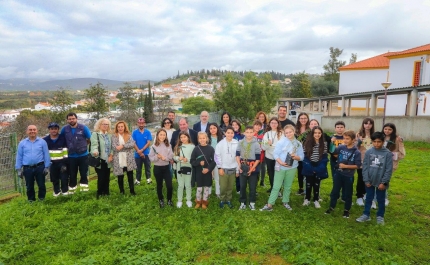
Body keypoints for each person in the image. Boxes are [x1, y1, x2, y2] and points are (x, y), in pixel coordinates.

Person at [260, 125, 304, 211]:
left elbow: (302, 157)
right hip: (281, 167)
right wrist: (281, 163)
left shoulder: (298, 144)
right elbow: (276, 154)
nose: (288, 134)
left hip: (292, 167)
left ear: (294, 131)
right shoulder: (281, 142)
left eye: (290, 132)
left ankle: (285, 202)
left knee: (288, 186)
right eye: (286, 132)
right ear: (284, 133)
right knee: (276, 186)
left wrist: (296, 157)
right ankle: (270, 204)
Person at [356, 132, 393, 225]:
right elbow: (365, 167)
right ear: (372, 141)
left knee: (380, 199)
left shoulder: (387, 154)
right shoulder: (369, 152)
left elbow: (389, 170)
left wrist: (384, 182)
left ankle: (380, 216)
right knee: (368, 198)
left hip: (381, 182)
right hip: (369, 181)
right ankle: (366, 214)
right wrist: (366, 180)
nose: (377, 144)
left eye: (379, 142)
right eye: (374, 142)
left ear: (383, 141)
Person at [325, 130, 361, 218]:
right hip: (338, 174)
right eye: (344, 138)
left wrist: (346, 166)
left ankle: (346, 210)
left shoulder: (357, 152)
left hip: (348, 176)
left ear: (353, 140)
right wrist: (332, 143)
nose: (345, 140)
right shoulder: (341, 147)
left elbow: (358, 165)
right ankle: (331, 207)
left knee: (348, 193)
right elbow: (333, 152)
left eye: (347, 139)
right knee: (334, 191)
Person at [15, 125, 51, 202]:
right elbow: (19, 156)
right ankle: (31, 200)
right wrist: (18, 169)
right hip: (27, 168)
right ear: (27, 131)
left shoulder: (42, 142)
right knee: (29, 186)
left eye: (34, 130)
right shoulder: (22, 143)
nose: (32, 131)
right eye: (30, 130)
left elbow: (46, 155)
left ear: (37, 131)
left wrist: (47, 167)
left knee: (41, 185)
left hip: (40, 167)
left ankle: (42, 199)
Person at [61, 112, 92, 192]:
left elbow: (89, 139)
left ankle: (84, 190)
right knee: (72, 174)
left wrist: (84, 145)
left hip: (83, 155)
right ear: (67, 120)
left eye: (73, 118)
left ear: (76, 119)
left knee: (83, 173)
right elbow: (61, 140)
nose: (71, 120)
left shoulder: (83, 128)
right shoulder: (64, 129)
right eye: (69, 119)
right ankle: (72, 190)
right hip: (71, 156)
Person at [301, 126, 328, 208]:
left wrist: (319, 168)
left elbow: (324, 157)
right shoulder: (307, 143)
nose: (317, 134)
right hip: (309, 166)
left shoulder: (324, 144)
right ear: (312, 134)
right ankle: (307, 199)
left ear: (321, 134)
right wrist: (310, 167)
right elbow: (305, 156)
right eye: (315, 133)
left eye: (319, 133)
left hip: (319, 166)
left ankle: (316, 199)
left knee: (317, 184)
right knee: (308, 184)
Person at [236, 126, 261, 210]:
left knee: (252, 186)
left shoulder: (256, 144)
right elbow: (237, 155)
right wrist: (239, 166)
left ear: (254, 133)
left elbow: (258, 159)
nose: (249, 134)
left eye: (251, 132)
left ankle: (252, 202)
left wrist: (251, 169)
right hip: (243, 166)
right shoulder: (240, 142)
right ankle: (242, 202)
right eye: (247, 132)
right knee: (242, 186)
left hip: (253, 166)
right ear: (244, 133)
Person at [381, 122, 405, 206]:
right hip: (379, 163)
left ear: (393, 130)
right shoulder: (380, 137)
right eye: (385, 129)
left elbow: (402, 154)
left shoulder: (397, 139)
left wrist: (392, 155)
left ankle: (384, 198)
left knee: (385, 180)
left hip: (390, 164)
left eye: (390, 129)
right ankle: (375, 197)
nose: (387, 131)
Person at [148, 129, 174, 208]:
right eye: (160, 135)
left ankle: (169, 200)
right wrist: (157, 157)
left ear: (166, 136)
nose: (162, 136)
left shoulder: (168, 145)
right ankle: (161, 199)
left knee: (169, 186)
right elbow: (151, 158)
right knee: (159, 185)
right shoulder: (153, 146)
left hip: (166, 168)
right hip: (157, 168)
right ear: (157, 136)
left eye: (164, 135)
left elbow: (170, 156)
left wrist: (165, 158)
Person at [190, 132, 216, 209]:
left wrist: (208, 169)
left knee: (206, 188)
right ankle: (198, 201)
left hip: (207, 172)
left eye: (203, 138)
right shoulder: (196, 149)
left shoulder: (211, 149)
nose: (202, 140)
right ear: (198, 139)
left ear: (207, 139)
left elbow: (214, 161)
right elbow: (192, 161)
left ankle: (204, 201)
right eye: (200, 138)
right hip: (199, 172)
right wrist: (198, 163)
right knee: (199, 188)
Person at [215, 126, 239, 209]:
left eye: (232, 133)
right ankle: (222, 199)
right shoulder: (220, 144)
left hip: (233, 168)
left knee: (230, 186)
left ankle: (228, 199)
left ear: (234, 133)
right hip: (223, 168)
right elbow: (217, 156)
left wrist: (237, 170)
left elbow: (238, 157)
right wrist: (219, 168)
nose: (230, 134)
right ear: (225, 133)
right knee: (223, 186)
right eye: (228, 133)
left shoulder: (236, 143)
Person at [43, 122, 69, 196]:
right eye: (52, 129)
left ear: (58, 130)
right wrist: (47, 165)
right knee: (54, 179)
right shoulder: (45, 140)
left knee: (64, 178)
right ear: (49, 130)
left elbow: (65, 151)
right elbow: (44, 153)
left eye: (55, 129)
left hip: (62, 162)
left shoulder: (63, 138)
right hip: (52, 163)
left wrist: (65, 164)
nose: (53, 130)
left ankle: (65, 192)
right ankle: (56, 192)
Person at [111, 121, 137, 196]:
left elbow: (132, 144)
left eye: (121, 126)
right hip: (118, 159)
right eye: (118, 127)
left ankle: (132, 191)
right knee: (120, 176)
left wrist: (122, 146)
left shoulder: (128, 135)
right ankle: (121, 191)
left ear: (124, 127)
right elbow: (114, 147)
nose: (120, 128)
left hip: (128, 159)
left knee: (130, 175)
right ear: (116, 128)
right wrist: (126, 146)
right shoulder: (114, 136)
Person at [90, 118, 113, 198]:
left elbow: (112, 146)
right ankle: (99, 193)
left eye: (107, 124)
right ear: (99, 125)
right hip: (100, 159)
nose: (105, 126)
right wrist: (95, 152)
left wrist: (111, 155)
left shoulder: (109, 135)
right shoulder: (95, 134)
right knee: (101, 177)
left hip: (108, 160)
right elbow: (94, 145)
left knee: (107, 177)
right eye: (104, 124)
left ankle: (106, 192)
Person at [355, 118, 375, 207]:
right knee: (361, 178)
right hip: (362, 160)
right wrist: (358, 142)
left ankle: (368, 195)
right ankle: (359, 196)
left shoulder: (374, 135)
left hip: (372, 161)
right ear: (363, 124)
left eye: (370, 124)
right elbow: (355, 147)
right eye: (366, 123)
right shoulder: (358, 134)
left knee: (371, 179)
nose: (368, 125)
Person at [261, 117, 284, 194]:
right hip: (269, 156)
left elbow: (284, 146)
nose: (274, 124)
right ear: (269, 124)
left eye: (275, 123)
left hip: (279, 157)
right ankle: (272, 187)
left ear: (278, 124)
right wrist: (268, 144)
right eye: (272, 123)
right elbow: (263, 146)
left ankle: (278, 189)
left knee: (278, 173)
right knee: (270, 172)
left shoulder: (281, 133)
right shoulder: (267, 134)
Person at [173, 131, 195, 208]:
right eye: (181, 137)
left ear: (188, 137)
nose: (183, 139)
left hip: (188, 167)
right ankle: (179, 200)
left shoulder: (192, 146)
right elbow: (174, 157)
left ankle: (188, 199)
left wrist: (187, 159)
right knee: (180, 185)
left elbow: (193, 157)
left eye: (184, 137)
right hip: (180, 167)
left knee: (188, 184)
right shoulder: (177, 147)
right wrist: (179, 158)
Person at [329, 120, 346, 201]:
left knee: (345, 178)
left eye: (341, 127)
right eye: (338, 127)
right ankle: (336, 194)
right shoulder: (332, 137)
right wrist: (331, 141)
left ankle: (344, 195)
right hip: (334, 161)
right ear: (335, 128)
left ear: (344, 128)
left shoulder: (346, 137)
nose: (340, 129)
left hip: (345, 161)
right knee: (335, 178)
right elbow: (329, 150)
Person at [133, 117, 153, 185]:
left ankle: (148, 179)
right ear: (137, 124)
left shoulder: (147, 132)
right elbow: (133, 143)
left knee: (147, 167)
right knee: (138, 168)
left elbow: (148, 142)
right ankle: (138, 180)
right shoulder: (134, 132)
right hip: (137, 154)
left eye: (142, 123)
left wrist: (142, 150)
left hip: (146, 153)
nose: (141, 125)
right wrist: (139, 151)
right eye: (139, 123)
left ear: (144, 124)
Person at [295, 112, 310, 195]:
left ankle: (307, 188)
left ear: (307, 119)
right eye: (301, 118)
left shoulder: (310, 129)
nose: (303, 120)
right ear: (299, 119)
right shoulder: (296, 129)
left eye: (305, 118)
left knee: (307, 170)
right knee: (300, 171)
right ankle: (301, 188)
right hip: (298, 153)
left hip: (308, 153)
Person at [208, 123, 223, 198]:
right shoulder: (207, 138)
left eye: (214, 128)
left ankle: (218, 192)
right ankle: (208, 193)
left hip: (218, 161)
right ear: (209, 130)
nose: (213, 130)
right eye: (211, 128)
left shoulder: (221, 138)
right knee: (209, 177)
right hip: (209, 161)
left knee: (217, 178)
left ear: (217, 129)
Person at [231, 119, 243, 193]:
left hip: (239, 156)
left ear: (239, 126)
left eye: (236, 125)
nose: (235, 126)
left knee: (238, 171)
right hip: (231, 156)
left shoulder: (242, 136)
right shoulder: (230, 135)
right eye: (233, 125)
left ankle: (238, 188)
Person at [253, 120, 266, 187]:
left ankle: (260, 182)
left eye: (259, 126)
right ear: (253, 126)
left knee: (259, 170)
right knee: (254, 171)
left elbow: (264, 145)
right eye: (256, 125)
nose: (257, 127)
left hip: (261, 156)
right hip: (252, 157)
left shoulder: (262, 135)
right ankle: (254, 186)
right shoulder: (251, 134)